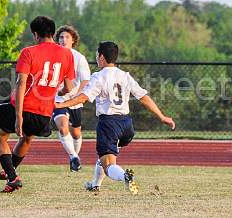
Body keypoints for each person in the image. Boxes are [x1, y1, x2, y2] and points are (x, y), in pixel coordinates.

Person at [54, 41, 175, 195]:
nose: (97, 59)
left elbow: (83, 97)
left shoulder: (98, 76)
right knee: (104, 155)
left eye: (97, 56)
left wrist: (61, 104)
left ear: (102, 57)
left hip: (109, 124)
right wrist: (162, 116)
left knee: (109, 165)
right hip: (126, 126)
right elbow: (143, 97)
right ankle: (95, 184)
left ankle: (124, 176)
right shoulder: (125, 75)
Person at [0, 16, 76, 193]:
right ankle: (10, 173)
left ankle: (12, 176)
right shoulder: (67, 54)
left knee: (0, 136)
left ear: (36, 35)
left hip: (25, 106)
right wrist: (57, 92)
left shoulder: (28, 52)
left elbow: (21, 84)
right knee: (27, 137)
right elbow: (69, 87)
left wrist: (18, 116)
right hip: (45, 113)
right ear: (53, 33)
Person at [52, 25, 90, 172]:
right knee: (62, 127)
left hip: (74, 101)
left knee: (76, 133)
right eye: (61, 37)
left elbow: (85, 81)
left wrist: (76, 95)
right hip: (58, 100)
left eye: (67, 37)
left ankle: (74, 157)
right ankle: (74, 157)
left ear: (73, 40)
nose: (63, 40)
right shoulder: (53, 55)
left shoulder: (79, 57)